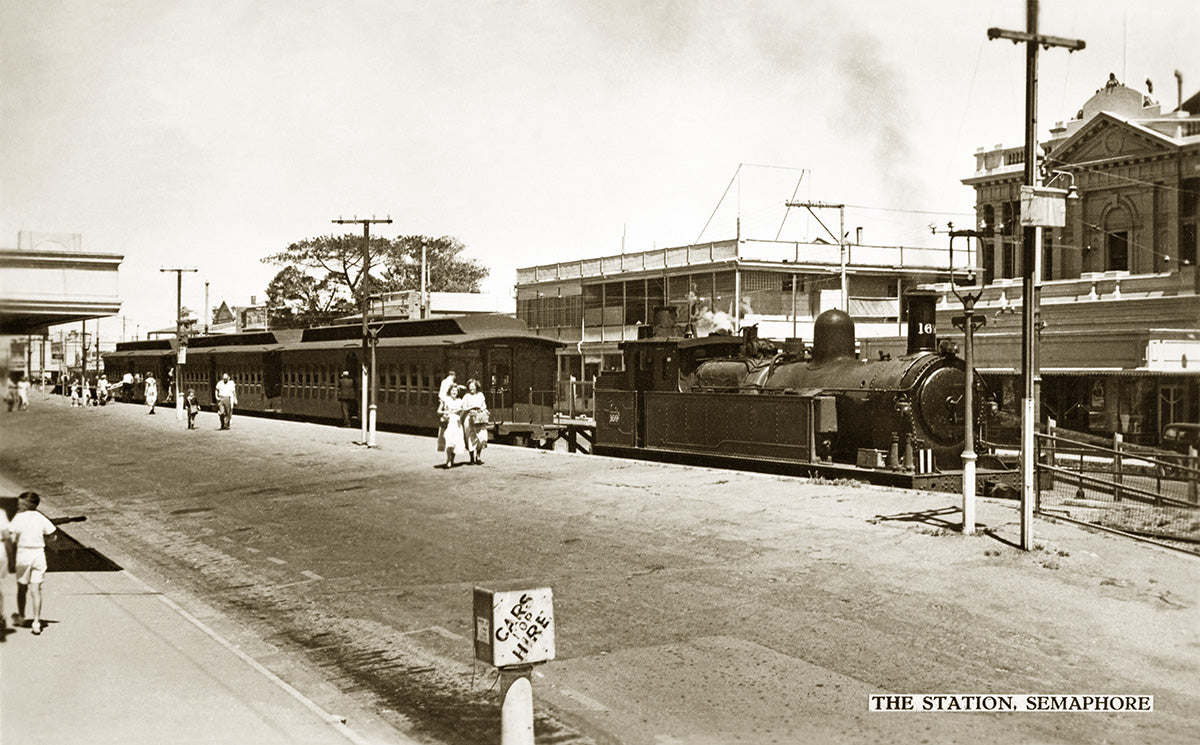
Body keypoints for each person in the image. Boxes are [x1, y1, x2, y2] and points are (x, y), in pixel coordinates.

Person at [9, 492, 56, 635]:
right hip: (38, 554)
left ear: (25, 504)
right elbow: (53, 536)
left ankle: (22, 617)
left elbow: (11, 537)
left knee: (22, 588)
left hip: (24, 554)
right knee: (36, 590)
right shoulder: (41, 518)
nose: (17, 505)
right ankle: (36, 622)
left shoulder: (18, 517)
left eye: (20, 503)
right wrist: (43, 541)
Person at [461, 378, 489, 465]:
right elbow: (463, 407)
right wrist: (471, 409)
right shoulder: (466, 396)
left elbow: (484, 405)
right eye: (470, 386)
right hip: (469, 418)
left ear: (476, 387)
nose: (471, 388)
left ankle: (478, 456)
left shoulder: (480, 395)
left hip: (479, 418)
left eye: (473, 386)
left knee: (481, 437)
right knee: (471, 437)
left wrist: (482, 410)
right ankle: (471, 458)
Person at [438, 385, 466, 468]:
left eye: (456, 391)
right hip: (449, 422)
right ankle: (449, 459)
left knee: (455, 442)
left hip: (457, 423)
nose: (454, 392)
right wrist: (446, 412)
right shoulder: (445, 400)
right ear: (450, 391)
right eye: (453, 390)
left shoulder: (460, 401)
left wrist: (460, 412)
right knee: (449, 441)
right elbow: (439, 411)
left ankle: (452, 459)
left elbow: (462, 413)